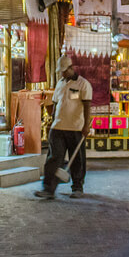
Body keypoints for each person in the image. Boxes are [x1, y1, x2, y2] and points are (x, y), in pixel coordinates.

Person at [36, 55, 92, 199]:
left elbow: (87, 106)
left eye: (64, 71)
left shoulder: (83, 84)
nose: (62, 74)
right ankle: (48, 189)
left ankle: (77, 187)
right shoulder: (60, 84)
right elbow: (55, 104)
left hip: (76, 128)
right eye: (61, 71)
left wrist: (86, 125)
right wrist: (52, 120)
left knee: (77, 159)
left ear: (71, 68)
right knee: (53, 159)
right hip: (58, 127)